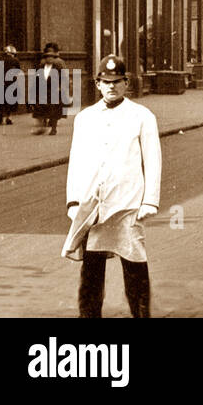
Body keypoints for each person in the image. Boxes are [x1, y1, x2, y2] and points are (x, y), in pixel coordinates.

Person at [63, 55, 161, 318]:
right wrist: (73, 201)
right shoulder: (85, 118)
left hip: (128, 203)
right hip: (94, 206)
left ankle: (141, 315)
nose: (111, 86)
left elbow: (153, 160)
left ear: (126, 82)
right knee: (92, 270)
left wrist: (150, 200)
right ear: (97, 84)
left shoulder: (142, 116)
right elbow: (77, 161)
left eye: (117, 81)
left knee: (135, 265)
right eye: (106, 82)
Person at [32, 43, 68, 135]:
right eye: (47, 57)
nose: (49, 59)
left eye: (51, 57)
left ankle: (53, 129)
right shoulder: (41, 66)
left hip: (55, 91)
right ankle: (42, 127)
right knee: (42, 109)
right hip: (44, 91)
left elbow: (64, 77)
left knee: (54, 111)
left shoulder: (58, 65)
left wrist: (62, 88)